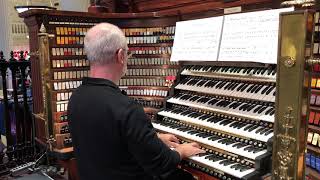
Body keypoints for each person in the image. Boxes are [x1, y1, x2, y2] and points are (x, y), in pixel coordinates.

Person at [68, 23, 205, 180]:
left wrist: (154, 139)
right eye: (127, 53)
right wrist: (181, 151)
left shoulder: (77, 97)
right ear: (120, 55)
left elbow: (108, 139)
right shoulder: (126, 108)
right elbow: (161, 162)